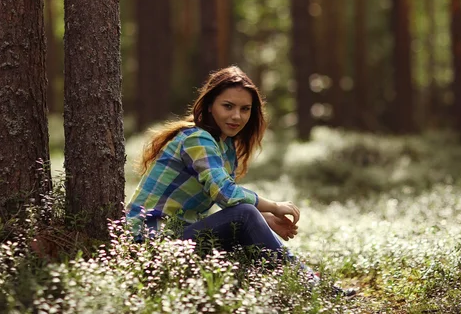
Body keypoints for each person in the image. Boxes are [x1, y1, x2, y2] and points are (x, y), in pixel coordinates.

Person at [125, 66, 355, 296]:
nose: (237, 116)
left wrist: (262, 221)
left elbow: (209, 204)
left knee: (247, 220)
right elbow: (225, 194)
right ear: (209, 105)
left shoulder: (224, 146)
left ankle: (300, 287)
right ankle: (313, 288)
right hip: (149, 244)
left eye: (245, 109)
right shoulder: (197, 139)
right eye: (228, 106)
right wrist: (273, 207)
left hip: (174, 239)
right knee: (245, 214)